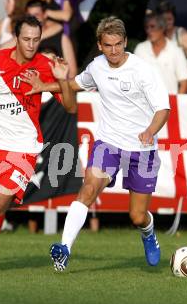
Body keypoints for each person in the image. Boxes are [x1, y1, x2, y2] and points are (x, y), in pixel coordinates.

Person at [25, 16, 170, 271]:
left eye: (118, 44)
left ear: (125, 42)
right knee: (88, 189)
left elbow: (163, 109)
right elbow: (74, 84)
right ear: (100, 45)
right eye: (108, 45)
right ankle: (65, 249)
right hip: (109, 144)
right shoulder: (97, 66)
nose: (114, 50)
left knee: (136, 216)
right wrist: (42, 87)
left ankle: (148, 233)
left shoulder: (143, 70)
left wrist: (150, 131)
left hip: (142, 149)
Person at [0, 15, 77, 271]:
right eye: (26, 39)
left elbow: (70, 106)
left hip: (24, 148)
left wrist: (62, 79)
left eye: (36, 39)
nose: (31, 45)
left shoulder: (46, 65)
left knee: (0, 204)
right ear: (15, 36)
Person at [134, 13, 187, 95]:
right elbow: (133, 78)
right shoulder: (140, 49)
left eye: (152, 27)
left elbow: (184, 83)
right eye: (147, 27)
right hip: (144, 103)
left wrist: (175, 104)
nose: (149, 31)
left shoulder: (176, 50)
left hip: (169, 103)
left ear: (162, 28)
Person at [26, 0, 77, 78]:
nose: (32, 19)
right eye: (29, 15)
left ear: (45, 15)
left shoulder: (61, 38)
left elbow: (72, 74)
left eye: (36, 15)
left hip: (56, 85)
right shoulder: (23, 38)